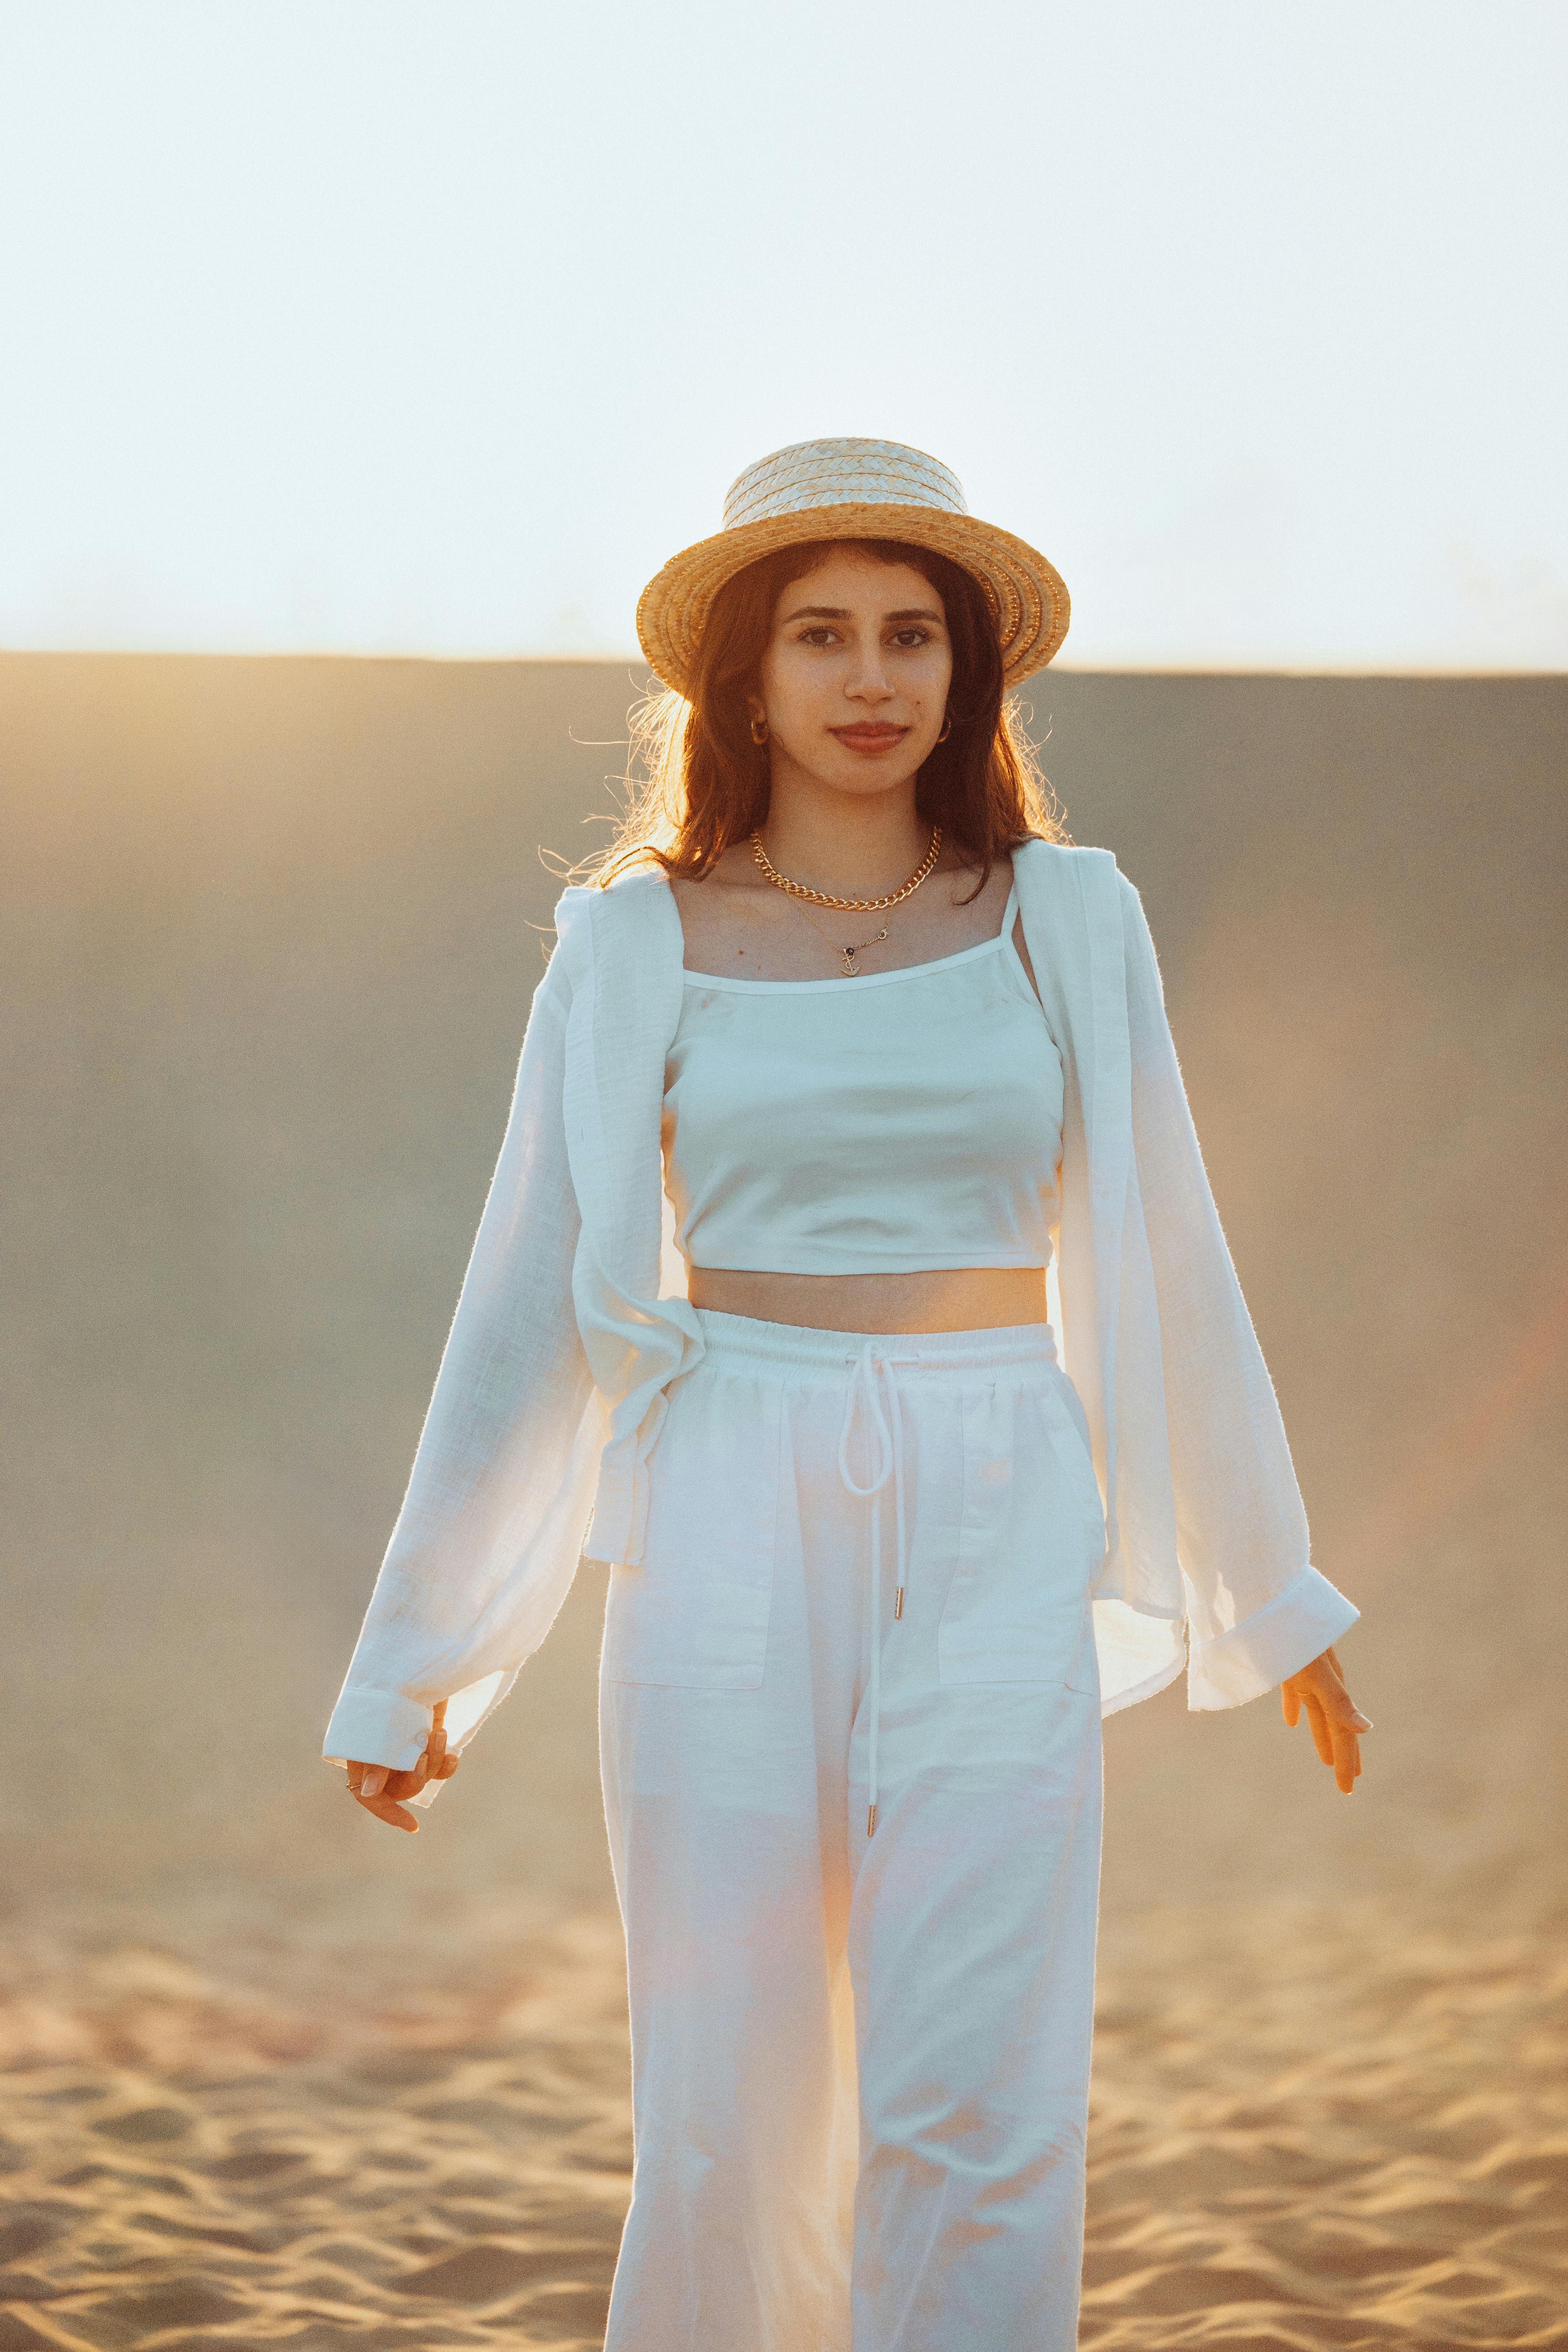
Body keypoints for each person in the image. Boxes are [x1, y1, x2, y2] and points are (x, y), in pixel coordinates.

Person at [324, 437, 1370, 2351]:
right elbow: (525, 1303)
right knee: (726, 2105)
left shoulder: (1073, 918)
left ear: (971, 674)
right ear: (743, 676)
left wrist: (1269, 1580)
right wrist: (423, 1660)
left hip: (997, 1488)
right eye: (821, 636)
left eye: (912, 634)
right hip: (720, 1486)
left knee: (977, 2093)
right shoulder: (628, 940)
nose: (872, 677)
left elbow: (1166, 1251)